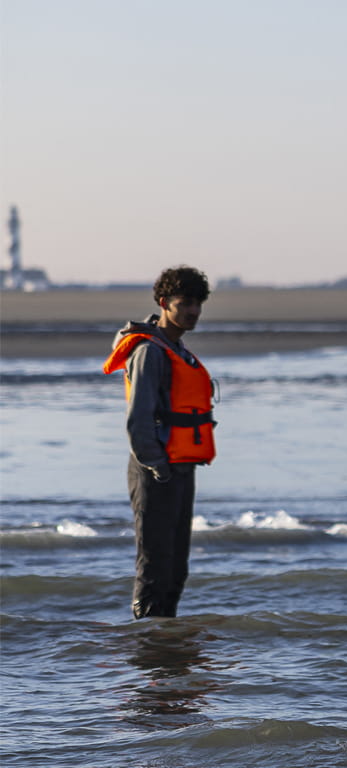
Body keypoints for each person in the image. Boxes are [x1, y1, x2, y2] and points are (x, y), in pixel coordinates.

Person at [102, 265, 216, 619]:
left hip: (181, 466)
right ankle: (147, 653)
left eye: (198, 304)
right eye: (185, 303)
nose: (193, 311)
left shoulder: (177, 349)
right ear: (164, 303)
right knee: (155, 567)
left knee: (176, 569)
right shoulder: (150, 352)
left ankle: (167, 655)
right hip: (156, 469)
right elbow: (138, 420)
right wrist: (158, 465)